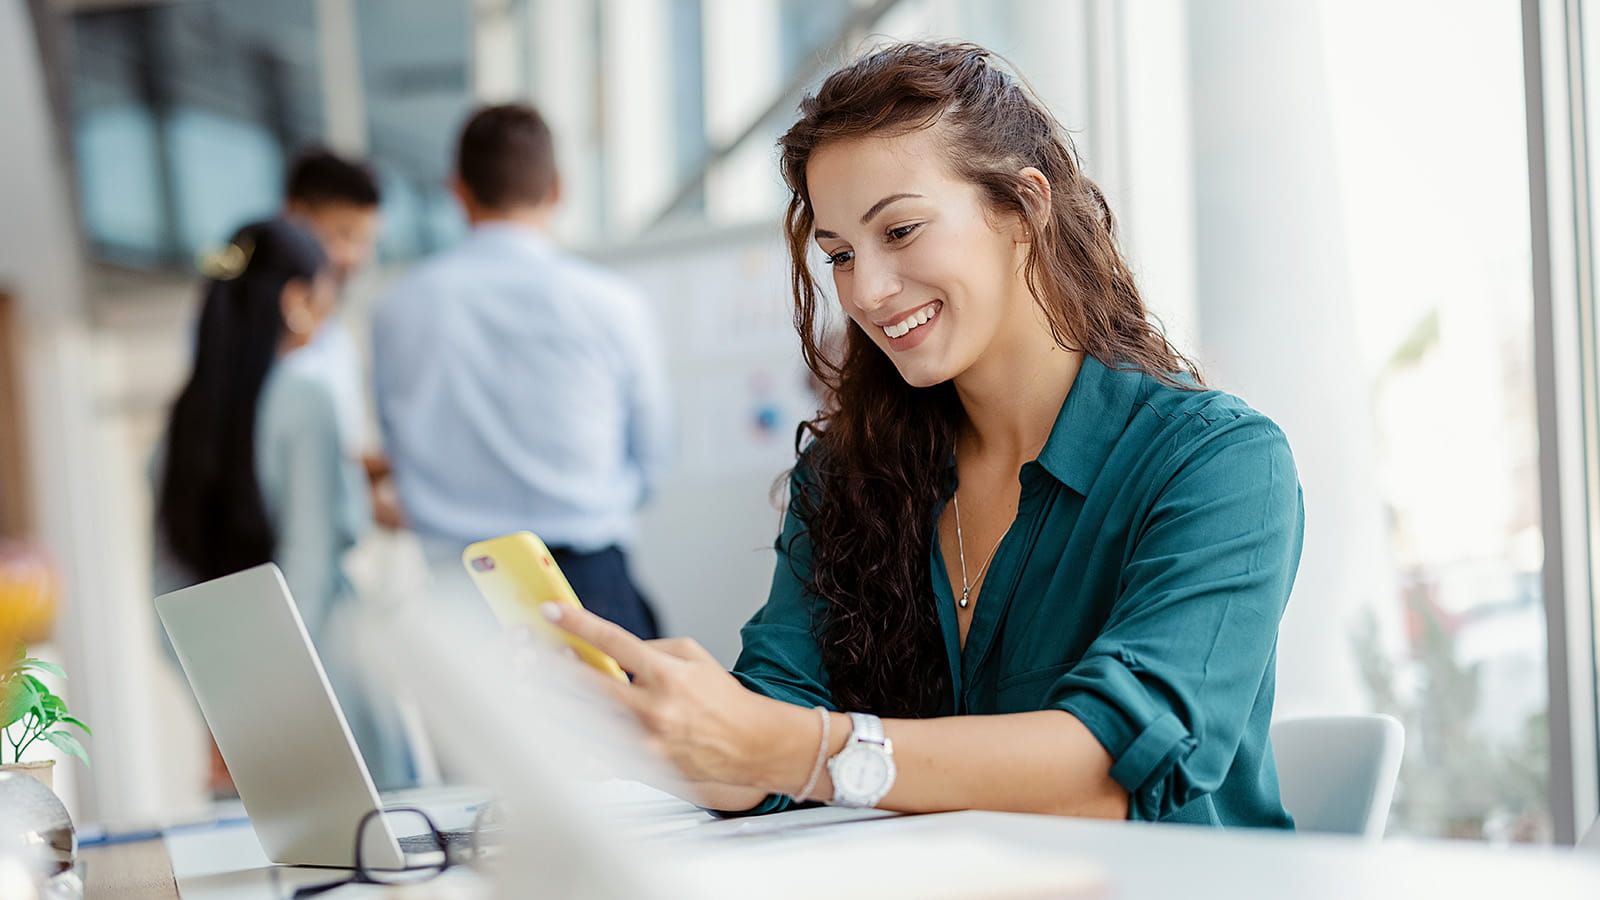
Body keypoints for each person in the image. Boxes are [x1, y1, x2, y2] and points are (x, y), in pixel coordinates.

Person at [544, 41, 1304, 827]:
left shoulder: (1220, 465)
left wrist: (800, 749)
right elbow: (770, 739)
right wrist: (667, 728)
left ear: (1025, 207)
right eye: (839, 254)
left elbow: (1109, 771)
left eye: (900, 231)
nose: (866, 292)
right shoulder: (848, 475)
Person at [372, 103, 672, 640]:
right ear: (558, 188)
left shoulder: (399, 308)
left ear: (457, 191)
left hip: (457, 596)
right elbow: (652, 460)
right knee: (615, 727)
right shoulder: (611, 303)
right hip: (588, 585)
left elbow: (397, 445)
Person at [152, 218, 413, 792]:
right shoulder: (306, 398)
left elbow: (167, 587)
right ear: (295, 298)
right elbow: (308, 568)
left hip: (227, 692)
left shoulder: (182, 417)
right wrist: (277, 697)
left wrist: (224, 708)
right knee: (375, 860)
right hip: (321, 675)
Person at [279, 148, 405, 530]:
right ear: (294, 217)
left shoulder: (335, 335)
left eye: (366, 241)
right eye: (343, 235)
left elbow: (328, 459)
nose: (355, 257)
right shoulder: (248, 333)